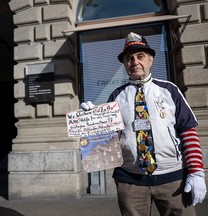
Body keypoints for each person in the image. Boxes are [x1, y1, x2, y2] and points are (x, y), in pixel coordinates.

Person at [81, 32, 207, 215]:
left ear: (151, 60)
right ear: (125, 64)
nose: (135, 62)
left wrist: (196, 172)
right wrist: (92, 122)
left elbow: (187, 131)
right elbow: (107, 142)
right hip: (130, 181)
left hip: (172, 179)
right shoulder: (116, 97)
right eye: (129, 58)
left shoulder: (169, 90)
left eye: (140, 56)